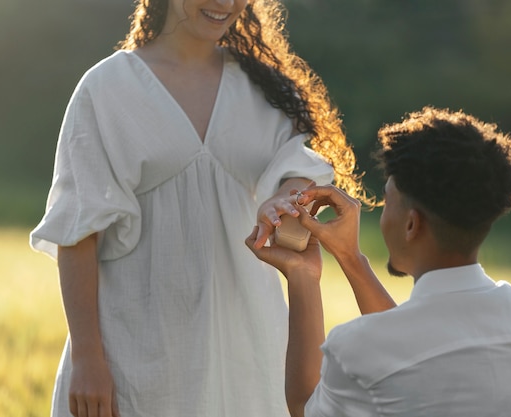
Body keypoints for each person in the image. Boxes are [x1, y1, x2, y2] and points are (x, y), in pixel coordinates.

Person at [30, 1, 371, 416]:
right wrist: (87, 360)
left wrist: (289, 196)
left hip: (249, 349)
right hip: (135, 353)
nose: (225, 3)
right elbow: (78, 232)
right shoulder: (107, 89)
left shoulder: (263, 87)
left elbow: (298, 170)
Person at [246, 106, 511, 417]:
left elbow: (306, 407)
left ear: (412, 224)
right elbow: (414, 346)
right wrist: (350, 258)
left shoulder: (359, 346)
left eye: (388, 200)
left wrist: (302, 275)